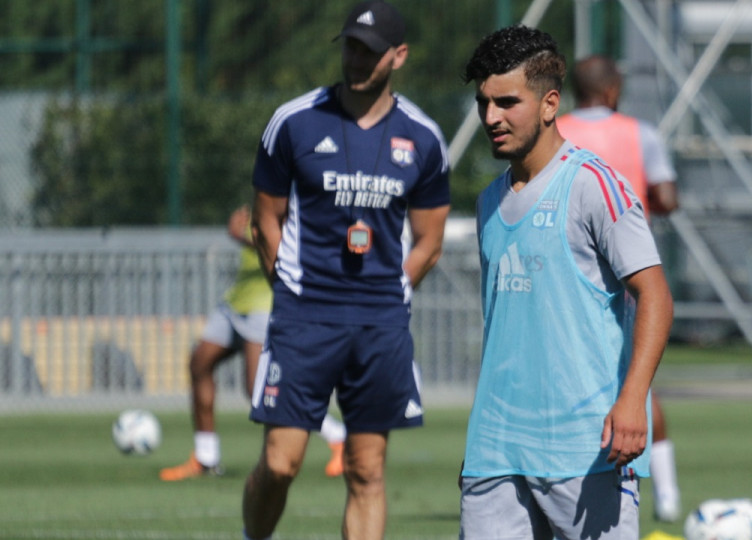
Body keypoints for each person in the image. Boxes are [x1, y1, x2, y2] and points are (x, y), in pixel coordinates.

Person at [241, 1, 451, 539]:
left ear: (398, 56)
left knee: (366, 469)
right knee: (282, 463)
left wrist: (396, 289)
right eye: (351, 47)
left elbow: (430, 240)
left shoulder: (423, 137)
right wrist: (287, 290)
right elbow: (265, 220)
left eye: (371, 51)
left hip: (380, 321)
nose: (357, 59)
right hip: (304, 316)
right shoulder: (294, 121)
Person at [459, 25, 673, 540]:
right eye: (484, 103)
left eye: (507, 102)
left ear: (550, 103)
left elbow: (656, 295)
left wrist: (632, 399)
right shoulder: (490, 200)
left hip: (586, 448)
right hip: (494, 448)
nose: (491, 118)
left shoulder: (593, 185)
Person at [557, 54, 682, 522]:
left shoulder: (559, 130)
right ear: (611, 91)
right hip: (629, 271)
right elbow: (666, 197)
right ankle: (666, 494)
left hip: (568, 268)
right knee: (636, 378)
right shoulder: (639, 132)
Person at [159, 206, 347, 482]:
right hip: (236, 303)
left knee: (258, 389)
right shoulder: (260, 203)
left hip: (265, 305)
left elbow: (287, 253)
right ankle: (206, 456)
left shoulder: (298, 208)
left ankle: (337, 435)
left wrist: (241, 236)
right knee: (200, 362)